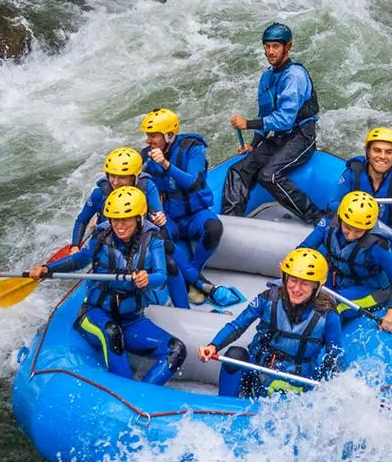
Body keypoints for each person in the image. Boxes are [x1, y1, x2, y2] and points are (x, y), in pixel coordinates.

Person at [30, 186, 186, 386]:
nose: (119, 226)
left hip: (132, 319)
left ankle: (141, 393)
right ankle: (128, 390)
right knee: (112, 332)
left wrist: (148, 279)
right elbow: (79, 260)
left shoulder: (153, 238)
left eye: (125, 220)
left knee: (176, 350)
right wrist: (46, 269)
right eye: (114, 219)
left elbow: (161, 276)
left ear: (139, 218)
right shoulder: (102, 235)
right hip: (95, 313)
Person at [197, 248, 343, 398]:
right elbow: (237, 326)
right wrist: (213, 345)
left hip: (294, 381)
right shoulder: (267, 298)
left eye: (305, 283)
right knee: (235, 354)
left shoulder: (328, 316)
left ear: (316, 286)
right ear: (285, 278)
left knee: (278, 387)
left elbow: (334, 356)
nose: (296, 288)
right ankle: (226, 407)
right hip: (257, 369)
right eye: (293, 280)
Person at [222, 22, 325, 224]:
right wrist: (254, 143)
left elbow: (285, 119)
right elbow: (266, 114)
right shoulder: (267, 76)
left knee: (269, 175)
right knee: (238, 171)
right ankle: (230, 223)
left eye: (276, 46)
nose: (270, 51)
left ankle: (316, 216)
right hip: (279, 138)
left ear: (288, 47)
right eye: (267, 46)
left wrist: (248, 124)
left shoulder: (294, 75)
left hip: (300, 137)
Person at [140, 107, 239, 307]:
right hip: (169, 215)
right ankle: (199, 282)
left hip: (195, 213)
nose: (148, 140)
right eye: (147, 135)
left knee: (214, 228)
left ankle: (193, 275)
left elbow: (193, 183)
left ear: (169, 135)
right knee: (157, 236)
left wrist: (166, 165)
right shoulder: (146, 155)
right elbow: (133, 184)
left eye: (153, 135)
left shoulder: (194, 149)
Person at [300, 191, 392, 331]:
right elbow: (303, 249)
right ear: (340, 219)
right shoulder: (328, 224)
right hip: (338, 277)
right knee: (305, 296)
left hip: (369, 289)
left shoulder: (377, 247)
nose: (351, 235)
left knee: (331, 306)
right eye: (348, 228)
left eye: (358, 231)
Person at [70, 147, 168, 249]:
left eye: (122, 177)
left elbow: (158, 215)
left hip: (139, 241)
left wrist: (160, 219)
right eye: (112, 176)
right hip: (108, 242)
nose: (115, 182)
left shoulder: (147, 187)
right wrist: (75, 246)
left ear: (134, 177)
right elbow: (81, 221)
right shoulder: (99, 193)